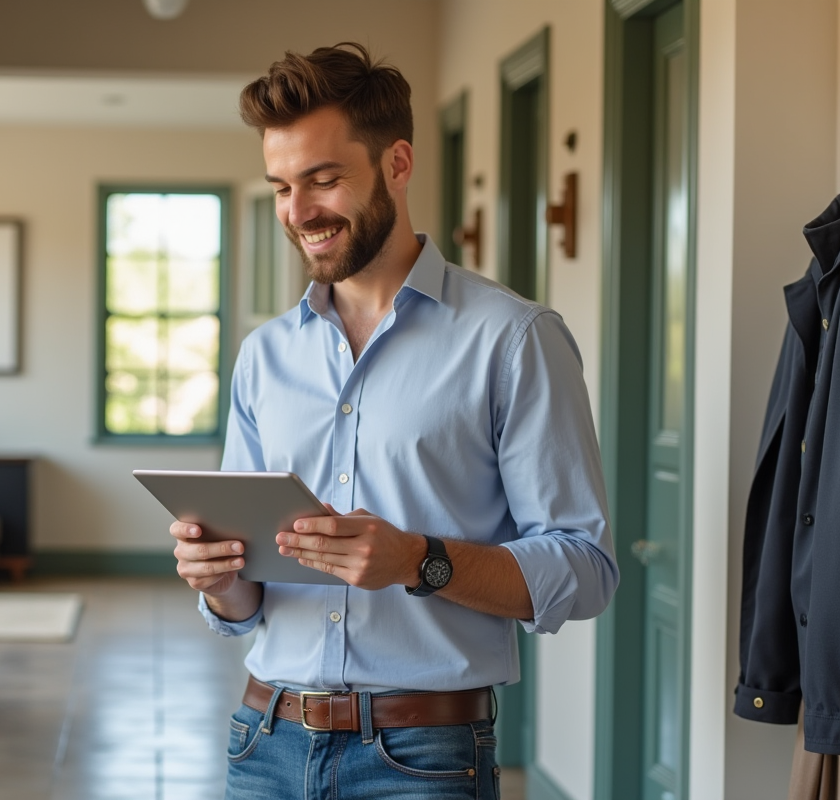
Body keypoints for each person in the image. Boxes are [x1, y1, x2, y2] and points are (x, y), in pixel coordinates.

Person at [170, 42, 619, 800]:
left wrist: (417, 560)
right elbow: (246, 603)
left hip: (423, 760)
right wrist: (216, 579)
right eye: (281, 186)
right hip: (262, 742)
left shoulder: (512, 340)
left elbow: (585, 568)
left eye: (323, 180)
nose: (298, 212)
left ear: (398, 165)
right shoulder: (264, 356)